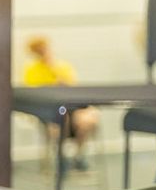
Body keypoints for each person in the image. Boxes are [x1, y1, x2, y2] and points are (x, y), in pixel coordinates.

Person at [20, 34, 99, 170]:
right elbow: (33, 95)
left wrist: (53, 69)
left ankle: (78, 156)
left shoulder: (62, 66)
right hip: (49, 109)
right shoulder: (31, 70)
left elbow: (71, 87)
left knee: (88, 119)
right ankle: (61, 156)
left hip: (69, 106)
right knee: (60, 118)